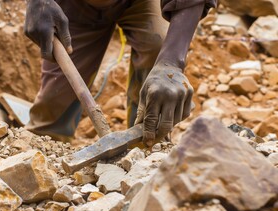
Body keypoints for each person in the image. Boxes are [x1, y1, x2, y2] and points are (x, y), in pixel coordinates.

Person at [24, 0, 217, 146]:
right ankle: (42, 154)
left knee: (159, 44)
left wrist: (172, 63)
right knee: (56, 98)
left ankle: (145, 144)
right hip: (76, 5)